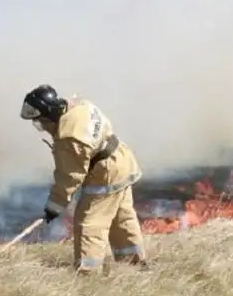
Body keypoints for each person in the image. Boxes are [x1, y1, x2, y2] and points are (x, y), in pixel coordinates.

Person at [19, 84, 149, 273]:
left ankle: (88, 273)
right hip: (122, 160)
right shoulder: (79, 107)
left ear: (50, 116)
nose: (42, 127)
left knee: (89, 224)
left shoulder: (69, 138)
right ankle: (135, 264)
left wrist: (54, 207)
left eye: (41, 122)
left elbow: (70, 178)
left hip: (105, 173)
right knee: (122, 218)